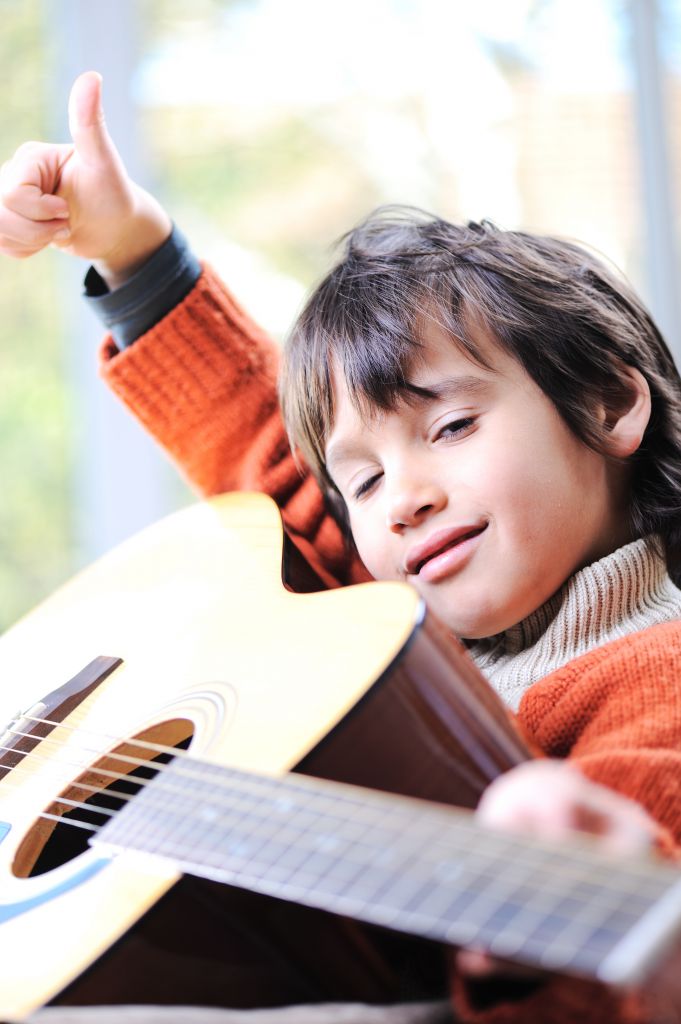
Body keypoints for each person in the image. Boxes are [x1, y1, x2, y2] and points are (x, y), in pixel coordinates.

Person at [3, 71, 681, 1024]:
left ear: (608, 404)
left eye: (447, 428)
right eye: (360, 481)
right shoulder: (395, 624)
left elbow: (627, 880)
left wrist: (564, 900)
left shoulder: (657, 675)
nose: (400, 499)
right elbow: (269, 460)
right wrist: (131, 252)